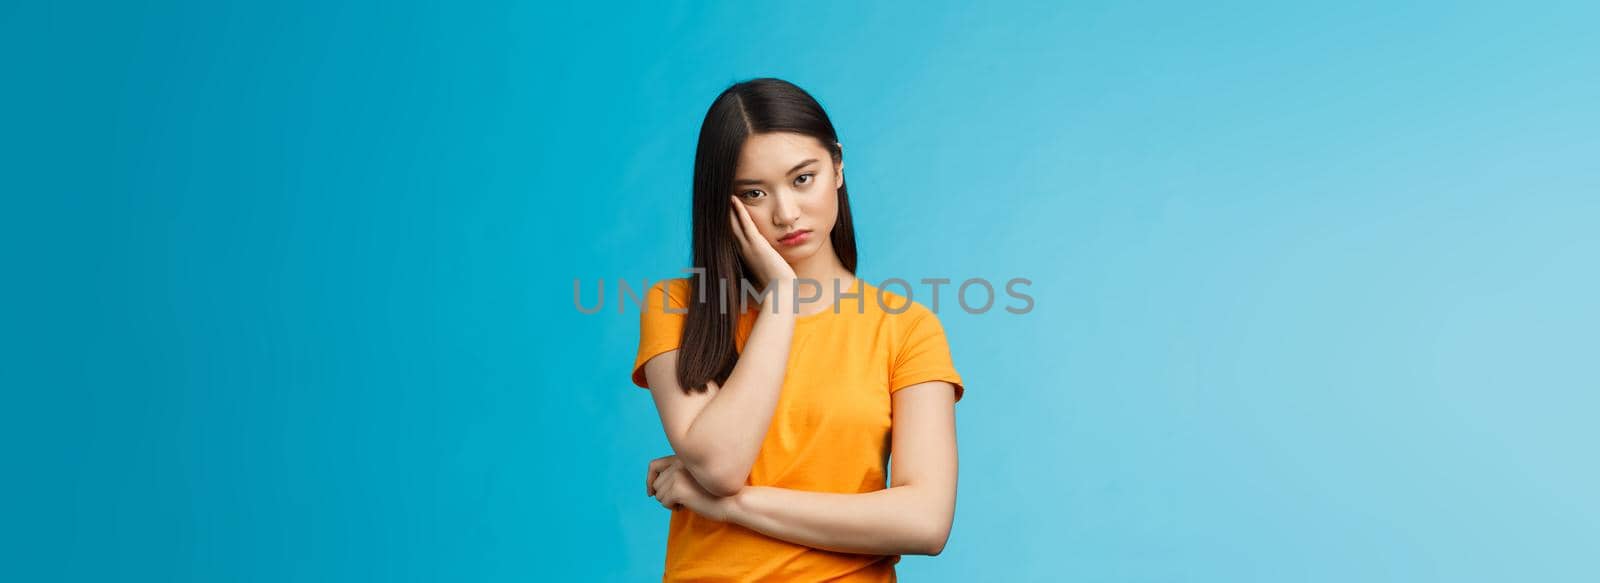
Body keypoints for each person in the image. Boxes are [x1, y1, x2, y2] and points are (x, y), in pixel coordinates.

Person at [631, 77, 965, 582]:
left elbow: (925, 522)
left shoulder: (906, 329)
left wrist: (730, 507)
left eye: (802, 179)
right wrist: (782, 302)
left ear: (837, 165)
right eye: (755, 193)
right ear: (723, 202)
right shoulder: (679, 308)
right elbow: (720, 465)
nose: (785, 214)